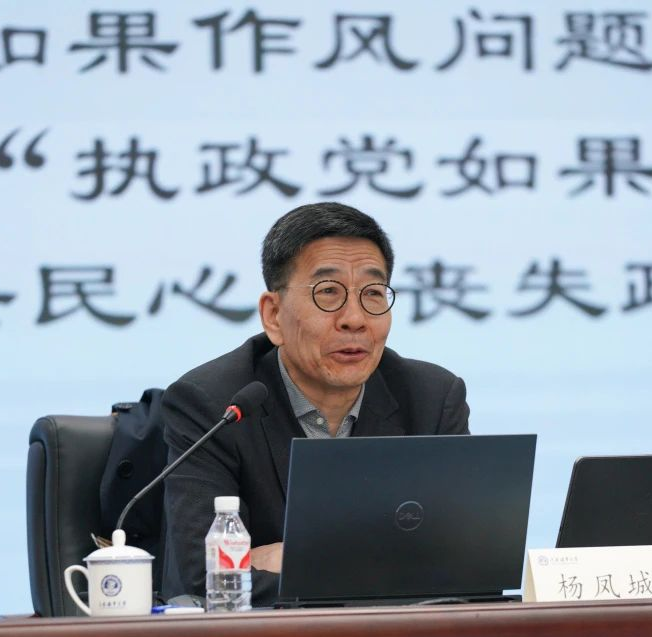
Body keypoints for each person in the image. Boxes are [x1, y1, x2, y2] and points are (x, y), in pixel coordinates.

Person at [160, 202, 470, 606]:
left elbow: (465, 573)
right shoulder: (212, 405)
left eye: (373, 294)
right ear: (273, 315)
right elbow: (208, 583)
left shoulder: (432, 399)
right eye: (328, 293)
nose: (355, 319)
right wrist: (386, 573)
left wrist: (301, 562)